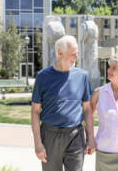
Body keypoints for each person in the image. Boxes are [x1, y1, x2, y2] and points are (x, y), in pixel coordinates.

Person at [31, 35, 96, 171]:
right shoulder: (43, 77)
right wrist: (38, 143)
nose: (76, 57)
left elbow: (87, 109)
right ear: (60, 53)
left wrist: (91, 138)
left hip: (75, 135)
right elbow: (35, 111)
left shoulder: (82, 76)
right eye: (73, 54)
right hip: (49, 136)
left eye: (77, 53)